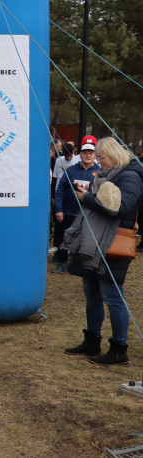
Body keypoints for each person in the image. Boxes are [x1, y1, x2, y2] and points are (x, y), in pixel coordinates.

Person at [61, 137, 143, 366]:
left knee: (113, 296)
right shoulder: (112, 175)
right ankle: (92, 340)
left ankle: (119, 349)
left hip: (113, 243)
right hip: (95, 240)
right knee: (92, 293)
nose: (98, 162)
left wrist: (87, 198)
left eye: (101, 157)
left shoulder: (130, 177)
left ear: (113, 155)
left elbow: (121, 208)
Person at [52, 136, 100, 274]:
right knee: (64, 236)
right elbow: (60, 190)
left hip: (88, 213)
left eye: (91, 153)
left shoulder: (100, 172)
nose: (88, 155)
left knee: (85, 239)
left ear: (94, 155)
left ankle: (79, 264)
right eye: (85, 153)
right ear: (80, 154)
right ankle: (61, 261)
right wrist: (59, 209)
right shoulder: (71, 170)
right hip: (68, 211)